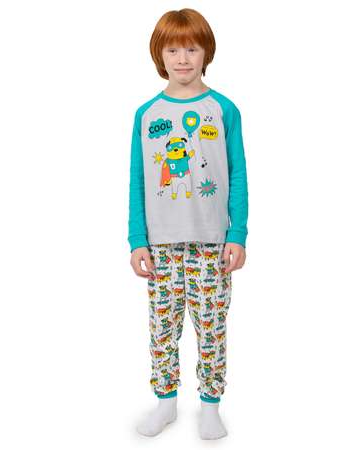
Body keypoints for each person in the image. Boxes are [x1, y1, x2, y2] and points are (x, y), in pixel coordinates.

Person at [128, 8, 249, 440]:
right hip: (160, 245)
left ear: (206, 53)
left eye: (192, 49)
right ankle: (166, 403)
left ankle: (210, 406)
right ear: (159, 55)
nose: (182, 59)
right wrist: (136, 239)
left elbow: (237, 174)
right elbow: (138, 180)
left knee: (211, 326)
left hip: (211, 243)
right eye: (173, 50)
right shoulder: (146, 115)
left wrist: (237, 233)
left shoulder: (224, 109)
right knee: (163, 327)